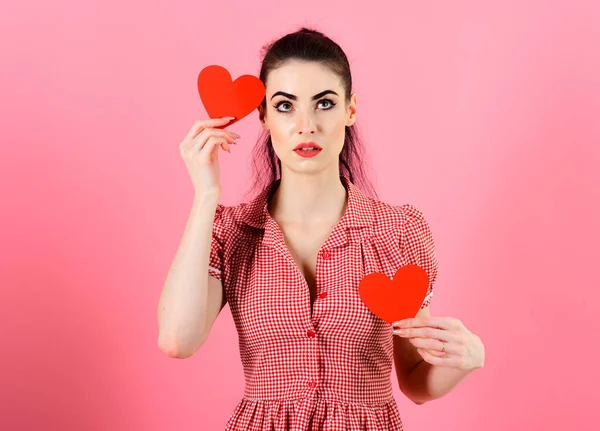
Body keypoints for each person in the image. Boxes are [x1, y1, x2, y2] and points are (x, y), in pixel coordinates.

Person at [158, 27, 485, 431]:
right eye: (284, 106)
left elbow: (415, 382)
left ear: (350, 110)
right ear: (262, 116)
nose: (306, 124)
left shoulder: (399, 231)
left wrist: (466, 360)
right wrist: (206, 195)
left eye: (324, 103)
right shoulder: (232, 231)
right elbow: (177, 340)